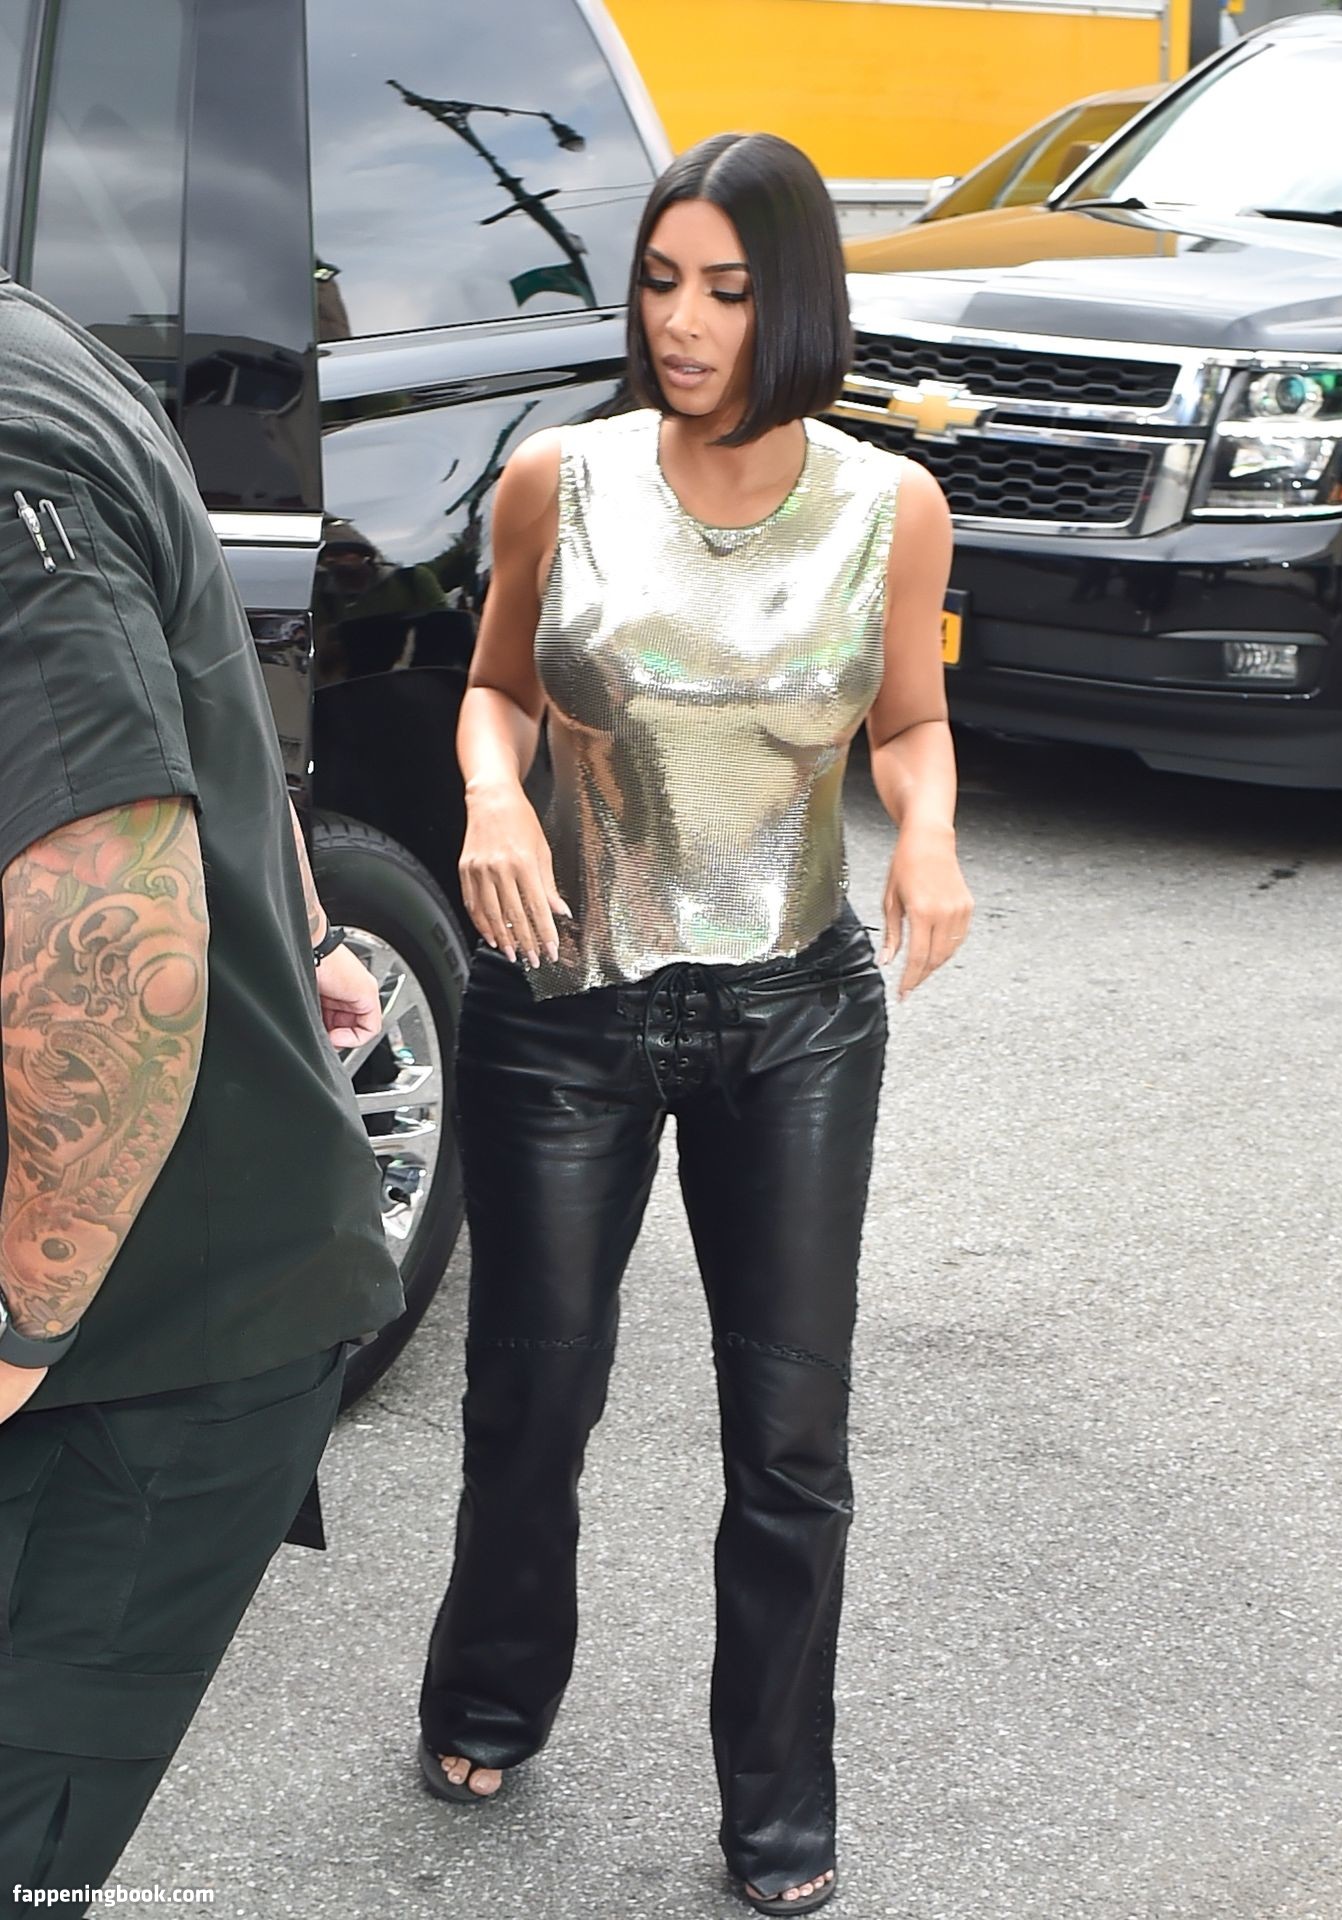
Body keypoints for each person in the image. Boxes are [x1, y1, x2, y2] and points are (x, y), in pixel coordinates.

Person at [415, 132, 972, 1915]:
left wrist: (931, 835)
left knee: (792, 1434)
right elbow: (496, 689)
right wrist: (491, 799)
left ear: (792, 297)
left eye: (727, 289)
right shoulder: (556, 481)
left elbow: (908, 722)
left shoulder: (891, 507)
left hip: (795, 1011)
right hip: (561, 1005)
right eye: (661, 281)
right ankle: (490, 1693)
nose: (684, 321)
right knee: (533, 1394)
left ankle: (778, 1796)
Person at [0, 269, 404, 1908]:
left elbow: (110, 941)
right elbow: (194, 690)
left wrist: (12, 1337)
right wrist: (304, 923)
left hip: (130, 1353)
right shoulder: (42, 343)